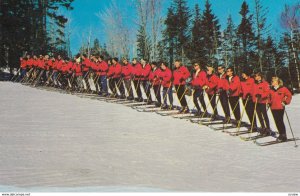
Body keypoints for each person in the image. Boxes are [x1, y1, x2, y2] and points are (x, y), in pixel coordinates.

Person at [269, 77, 292, 142]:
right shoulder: (271, 90)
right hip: (273, 107)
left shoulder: (283, 89)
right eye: (272, 81)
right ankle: (280, 134)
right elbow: (269, 97)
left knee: (280, 121)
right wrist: (269, 102)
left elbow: (289, 95)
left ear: (277, 82)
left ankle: (283, 135)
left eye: (273, 81)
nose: (272, 82)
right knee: (276, 121)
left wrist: (285, 102)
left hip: (280, 107)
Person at [253, 71, 272, 136]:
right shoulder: (254, 84)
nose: (256, 77)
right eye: (255, 76)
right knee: (259, 115)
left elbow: (267, 92)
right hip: (256, 101)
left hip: (263, 101)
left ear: (260, 76)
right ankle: (263, 127)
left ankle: (268, 128)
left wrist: (261, 95)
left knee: (264, 115)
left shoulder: (265, 83)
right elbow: (253, 92)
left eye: (257, 76)